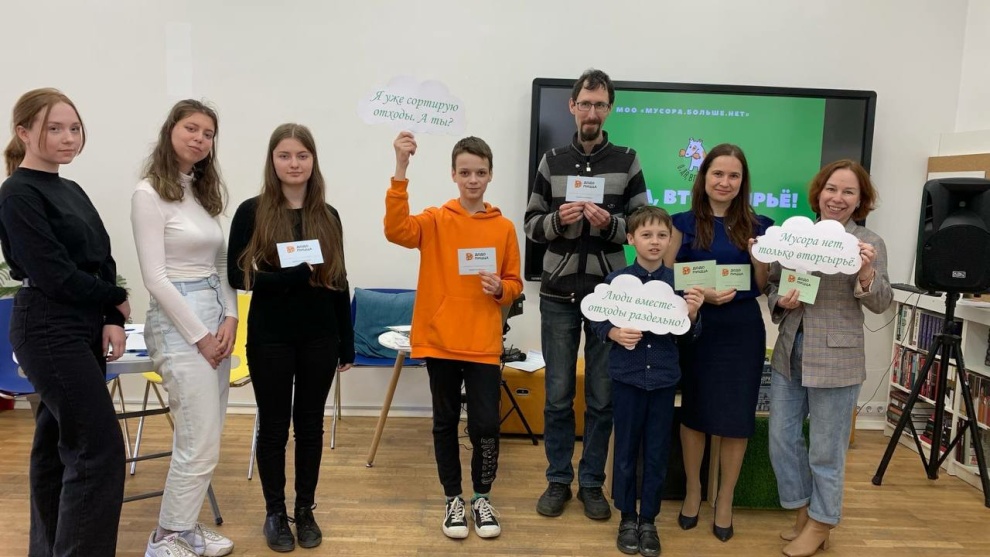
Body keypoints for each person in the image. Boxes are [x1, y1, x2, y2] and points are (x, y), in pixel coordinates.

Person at [0, 88, 129, 557]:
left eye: (74, 128)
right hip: (48, 325)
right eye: (54, 128)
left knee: (56, 447)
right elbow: (54, 273)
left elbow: (102, 256)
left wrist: (111, 315)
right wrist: (116, 298)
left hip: (81, 325)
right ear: (23, 132)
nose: (68, 137)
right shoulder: (17, 193)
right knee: (98, 450)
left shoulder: (70, 189)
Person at [524, 68, 648, 520]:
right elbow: (531, 224)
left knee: (602, 397)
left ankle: (592, 483)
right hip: (557, 294)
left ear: (609, 109)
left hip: (609, 298)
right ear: (572, 107)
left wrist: (609, 225)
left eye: (600, 104)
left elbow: (641, 226)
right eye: (585, 104)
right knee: (558, 395)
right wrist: (558, 220)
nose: (591, 112)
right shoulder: (551, 160)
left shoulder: (627, 160)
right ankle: (558, 480)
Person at [386, 131, 522, 540]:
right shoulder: (435, 220)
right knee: (444, 422)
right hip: (441, 341)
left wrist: (500, 289)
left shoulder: (504, 227)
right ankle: (453, 500)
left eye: (480, 172)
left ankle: (481, 496)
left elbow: (515, 284)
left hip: (482, 344)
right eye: (465, 172)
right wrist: (400, 168)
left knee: (486, 425)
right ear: (453, 174)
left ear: (490, 174)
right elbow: (396, 230)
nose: (472, 179)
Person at [228, 123, 354, 552]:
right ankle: (275, 513)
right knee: (274, 427)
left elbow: (339, 280)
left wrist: (347, 341)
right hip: (271, 339)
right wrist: (290, 277)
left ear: (313, 160)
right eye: (285, 155)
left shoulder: (328, 215)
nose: (294, 164)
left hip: (320, 338)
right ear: (272, 161)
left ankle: (304, 510)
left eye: (302, 155)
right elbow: (237, 276)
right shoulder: (252, 211)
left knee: (310, 427)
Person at [766, 160, 891, 557]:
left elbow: (882, 302)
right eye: (831, 189)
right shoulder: (796, 234)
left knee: (826, 449)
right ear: (819, 193)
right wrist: (781, 301)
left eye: (848, 192)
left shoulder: (867, 241)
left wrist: (866, 273)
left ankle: (822, 522)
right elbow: (773, 285)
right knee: (781, 439)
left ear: (860, 200)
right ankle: (805, 512)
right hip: (790, 351)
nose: (838, 198)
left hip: (838, 357)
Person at [131, 100, 238, 557]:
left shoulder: (200, 193)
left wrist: (231, 316)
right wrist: (201, 336)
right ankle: (166, 538)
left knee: (206, 436)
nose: (199, 138)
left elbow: (220, 259)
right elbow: (155, 279)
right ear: (170, 131)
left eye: (208, 133)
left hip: (214, 309)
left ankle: (185, 527)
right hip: (180, 320)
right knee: (197, 437)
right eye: (191, 128)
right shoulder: (148, 194)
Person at [664, 144, 773, 541]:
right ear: (704, 177)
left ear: (743, 182)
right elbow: (666, 276)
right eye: (718, 174)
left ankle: (724, 499)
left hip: (742, 330)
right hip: (699, 328)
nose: (725, 182)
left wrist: (758, 258)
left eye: (733, 176)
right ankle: (694, 491)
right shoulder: (682, 222)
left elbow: (762, 285)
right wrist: (701, 294)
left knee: (736, 419)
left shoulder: (761, 226)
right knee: (695, 412)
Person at [589, 206, 703, 557]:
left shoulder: (678, 284)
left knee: (656, 452)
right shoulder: (617, 281)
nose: (655, 242)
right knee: (625, 450)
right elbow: (596, 321)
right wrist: (612, 332)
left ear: (670, 240)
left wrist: (693, 314)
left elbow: (689, 337)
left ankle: (649, 520)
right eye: (646, 235)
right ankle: (627, 518)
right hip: (627, 379)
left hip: (663, 381)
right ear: (631, 239)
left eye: (662, 235)